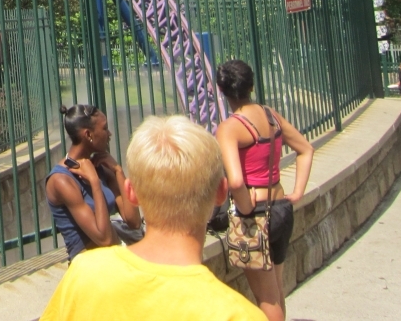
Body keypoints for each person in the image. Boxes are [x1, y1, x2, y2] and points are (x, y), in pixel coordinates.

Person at [41, 115, 265, 321]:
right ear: (221, 192)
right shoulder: (239, 315)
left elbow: (131, 222)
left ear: (132, 192)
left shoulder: (81, 277)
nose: (108, 133)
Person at [215, 60, 313, 321]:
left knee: (266, 299)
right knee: (277, 291)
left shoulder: (230, 128)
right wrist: (298, 191)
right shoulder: (271, 116)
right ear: (252, 85)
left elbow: (235, 182)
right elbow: (306, 149)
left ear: (221, 90)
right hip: (281, 207)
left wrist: (246, 211)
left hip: (256, 213)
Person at [46, 104, 142, 262]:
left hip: (113, 256)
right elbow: (103, 239)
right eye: (105, 128)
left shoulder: (101, 166)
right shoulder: (61, 180)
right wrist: (95, 183)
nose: (109, 134)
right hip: (88, 265)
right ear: (88, 134)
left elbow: (134, 222)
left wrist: (118, 171)